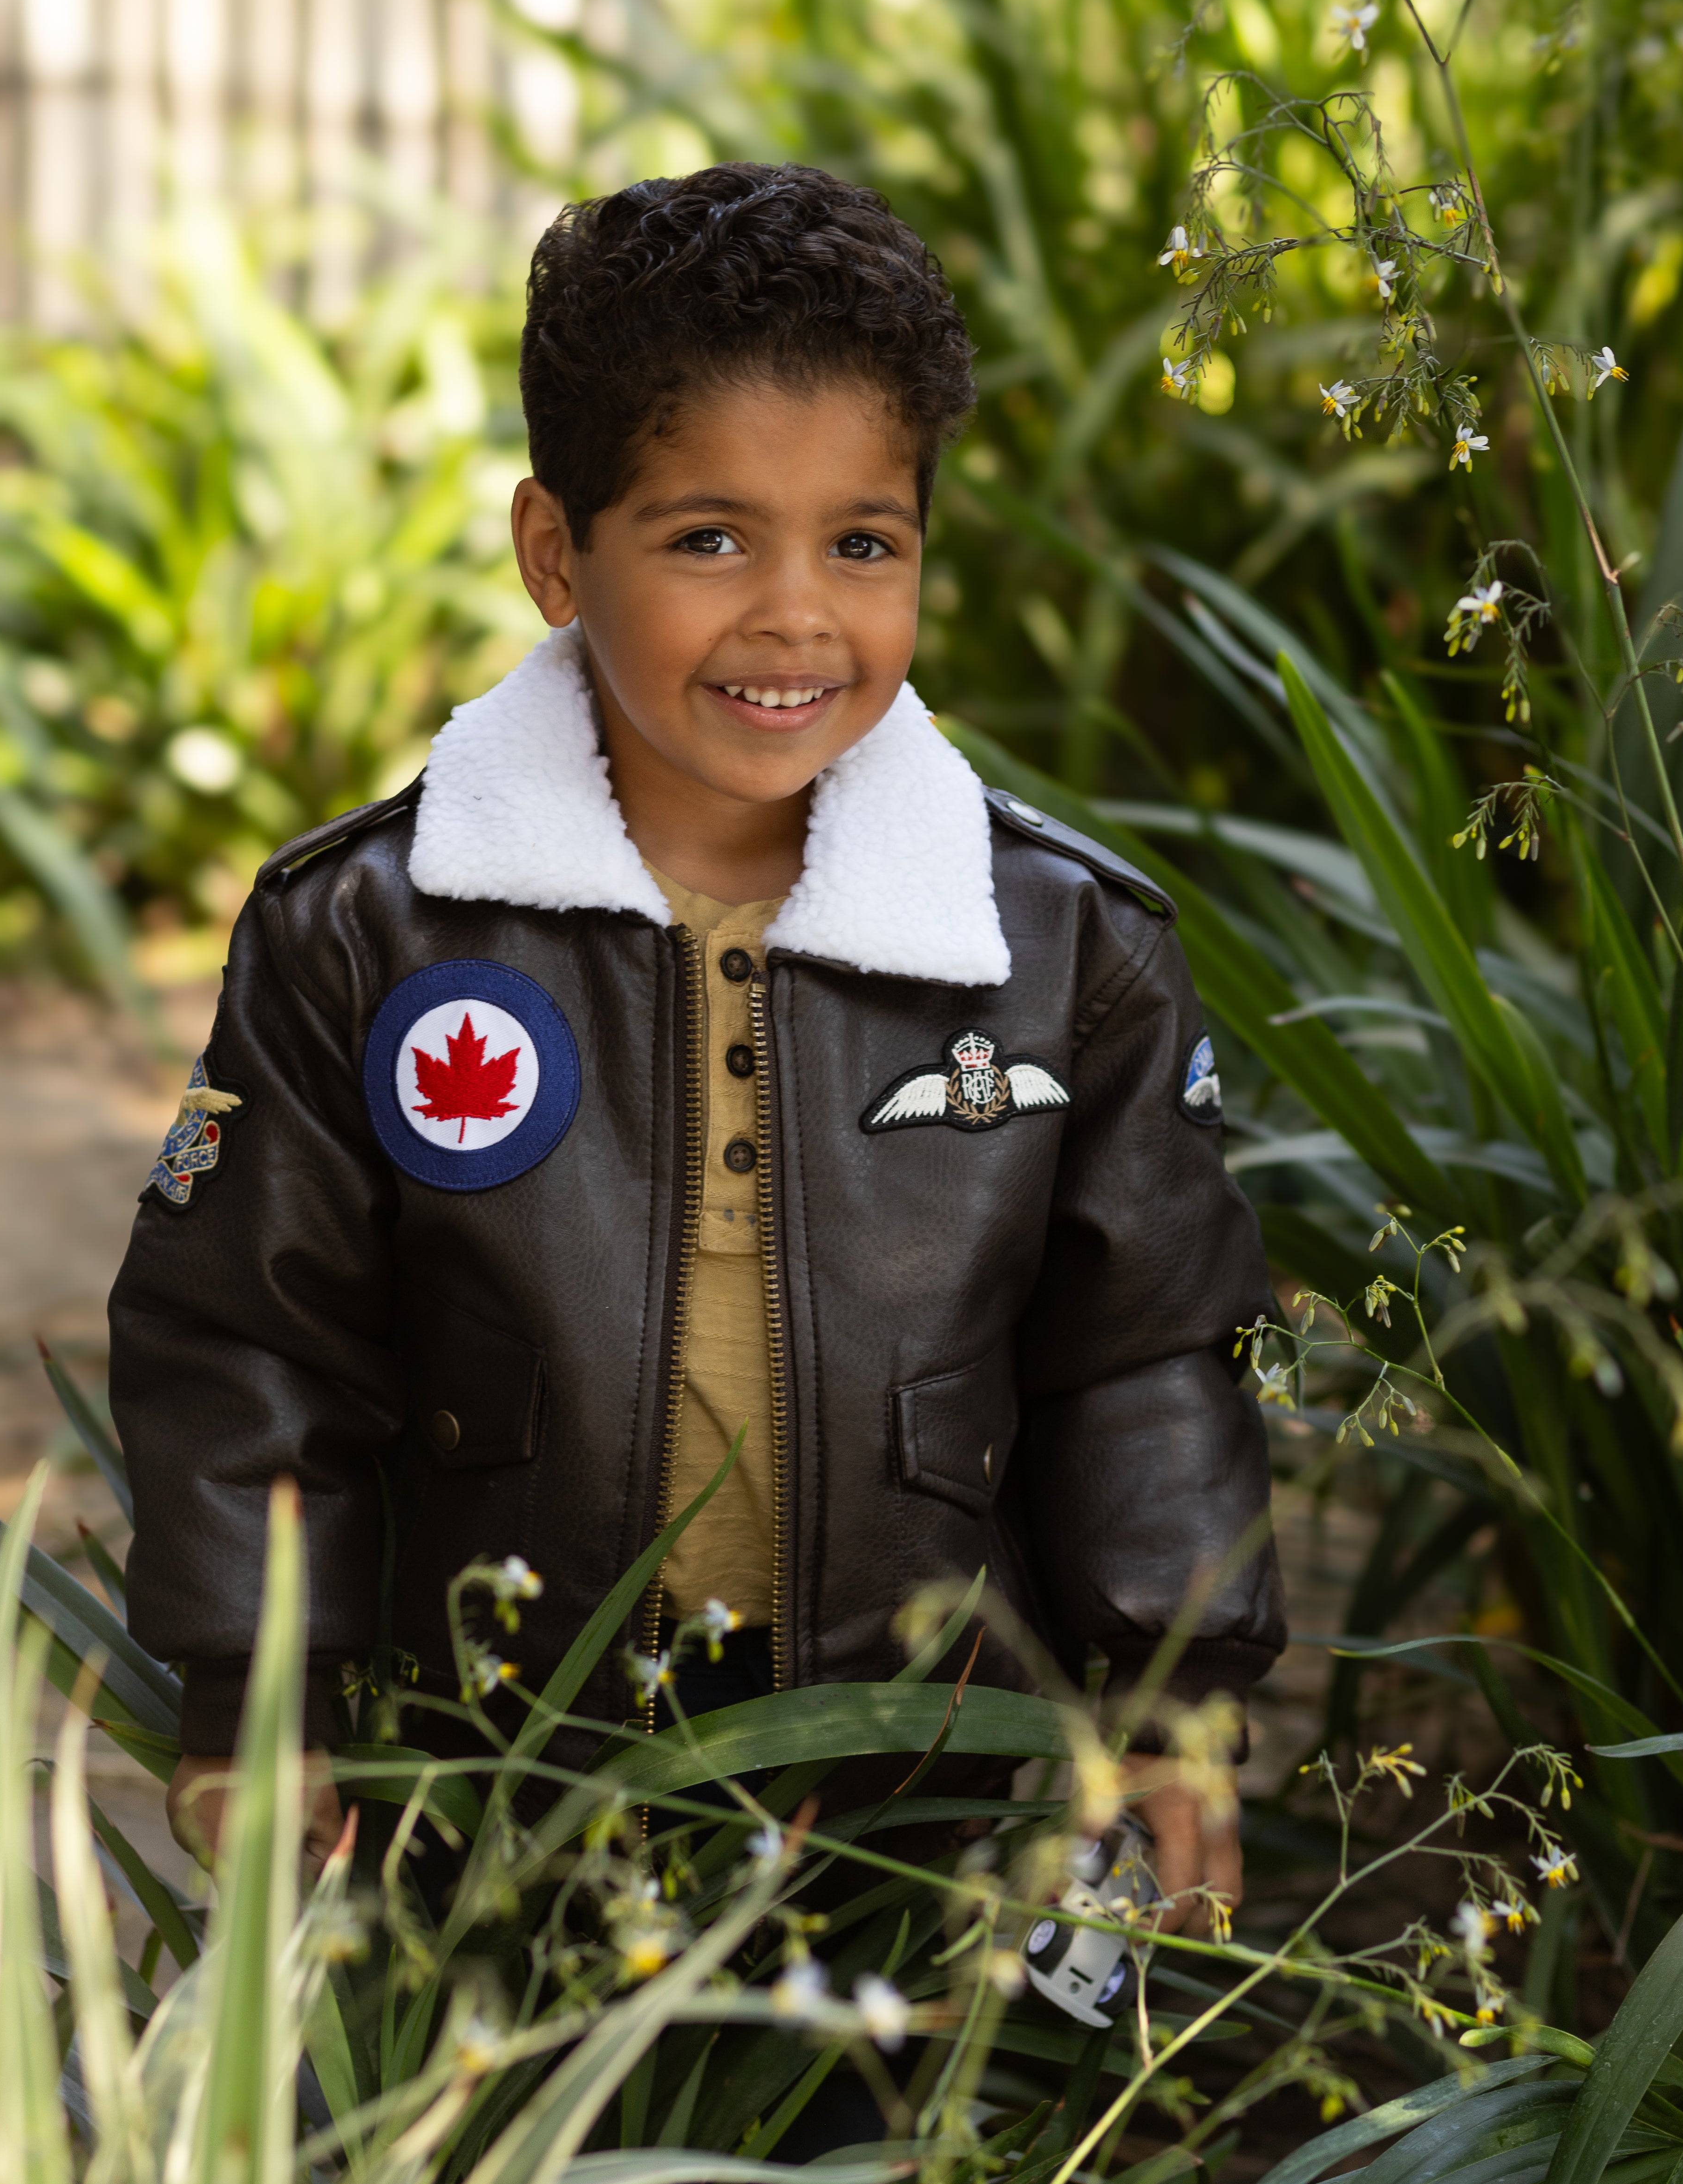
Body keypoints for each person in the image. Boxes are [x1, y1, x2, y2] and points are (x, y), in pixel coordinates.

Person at [107, 161, 1284, 1916]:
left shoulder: (1058, 948)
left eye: (863, 542)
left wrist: (1172, 1695)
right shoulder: (369, 932)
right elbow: (248, 1341)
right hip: (493, 1785)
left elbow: (1142, 1357)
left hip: (923, 1791)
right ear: (554, 553)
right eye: (709, 536)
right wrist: (254, 1692)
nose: (796, 613)